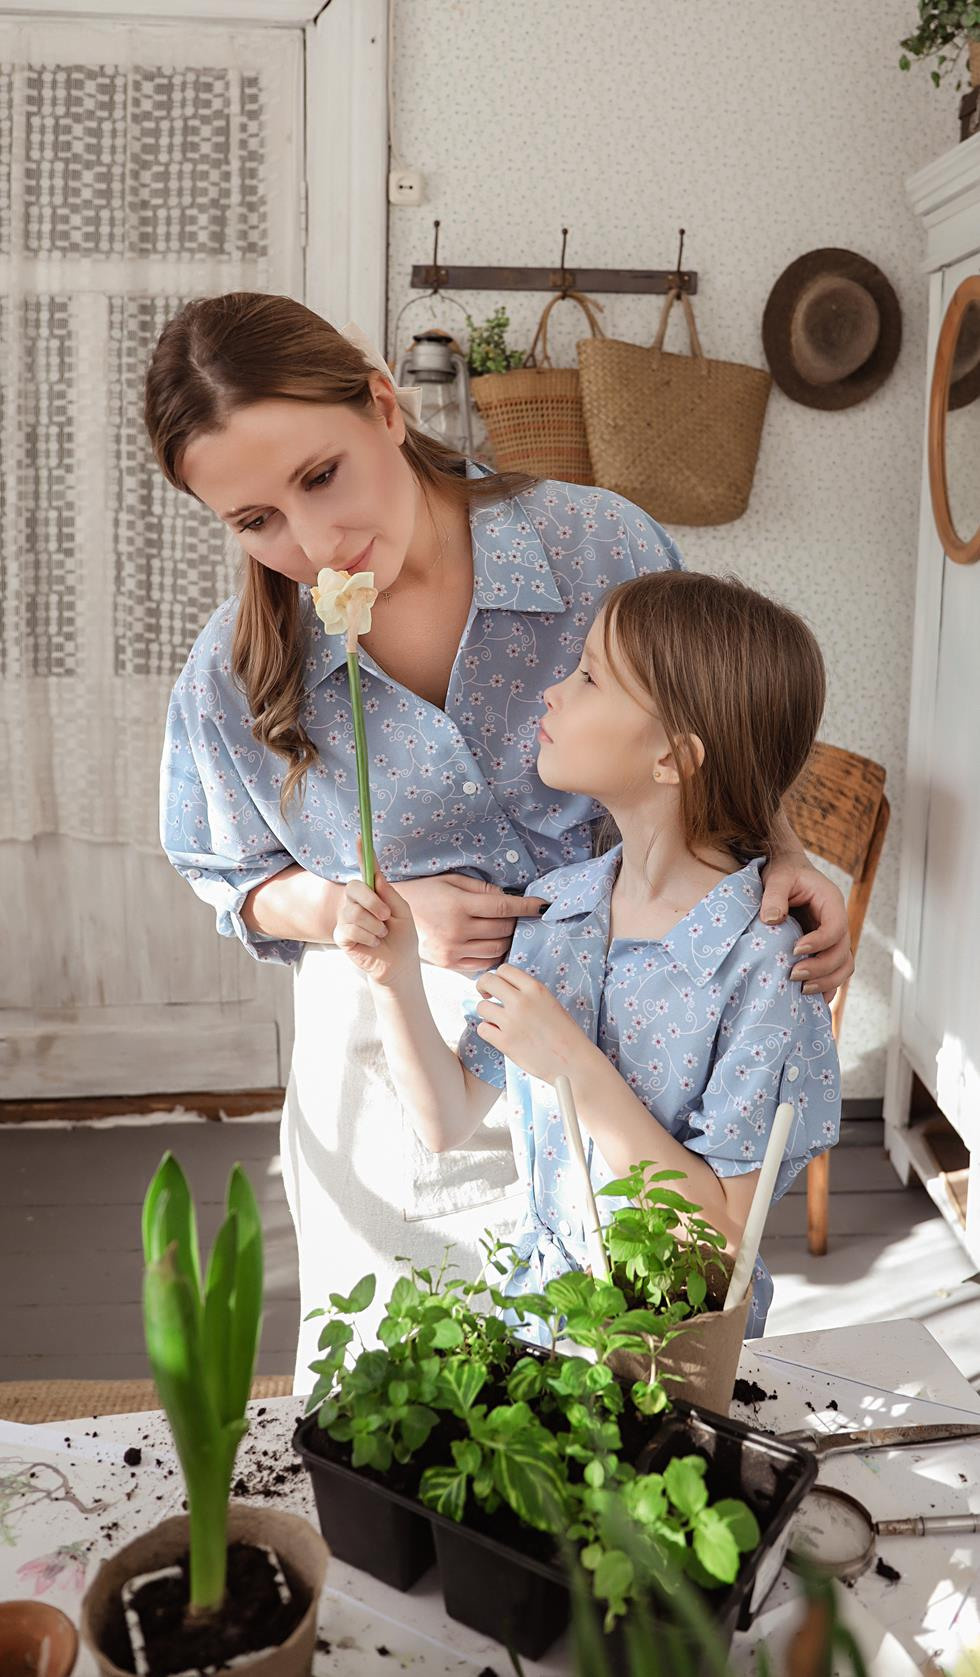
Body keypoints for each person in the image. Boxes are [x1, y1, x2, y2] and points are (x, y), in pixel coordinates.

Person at [147, 292, 852, 1384]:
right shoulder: (233, 674)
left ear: (383, 404)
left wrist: (788, 855)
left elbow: (711, 722)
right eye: (254, 521)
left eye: (320, 475)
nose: (313, 539)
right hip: (413, 1060)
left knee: (629, 1407)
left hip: (639, 1064)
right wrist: (363, 909)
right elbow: (226, 875)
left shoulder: (598, 540)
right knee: (406, 1422)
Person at [334, 571, 842, 1337]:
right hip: (536, 1324)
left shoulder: (765, 965)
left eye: (589, 676)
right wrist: (394, 976)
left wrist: (572, 1064)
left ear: (673, 757)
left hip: (669, 1358)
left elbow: (719, 1246)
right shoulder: (561, 908)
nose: (553, 692)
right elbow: (445, 1118)